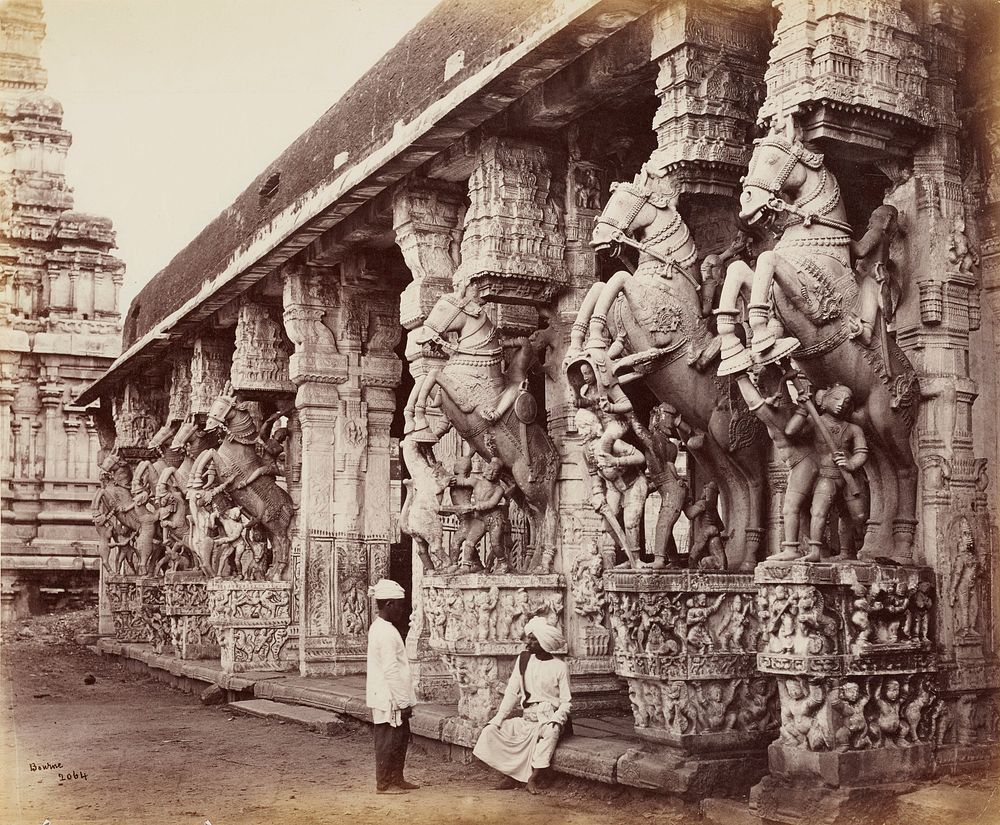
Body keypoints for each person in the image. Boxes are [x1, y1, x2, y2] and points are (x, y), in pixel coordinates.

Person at [473, 616, 571, 794]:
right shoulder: (524, 660)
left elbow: (566, 702)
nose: (528, 642)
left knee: (551, 732)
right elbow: (512, 692)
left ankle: (532, 778)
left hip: (548, 718)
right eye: (529, 637)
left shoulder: (560, 667)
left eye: (533, 639)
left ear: (544, 643)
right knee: (492, 731)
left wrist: (557, 720)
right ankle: (510, 775)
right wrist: (498, 718)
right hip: (527, 717)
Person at [366, 578, 419, 794]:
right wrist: (403, 701)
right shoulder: (385, 632)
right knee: (388, 740)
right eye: (400, 605)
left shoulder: (383, 628)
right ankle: (385, 783)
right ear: (389, 604)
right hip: (390, 697)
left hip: (392, 695)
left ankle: (397, 777)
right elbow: (390, 670)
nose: (402, 610)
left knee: (399, 739)